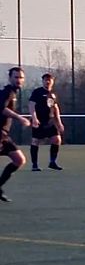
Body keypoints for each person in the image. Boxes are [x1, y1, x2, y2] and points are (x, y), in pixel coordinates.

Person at [0, 68, 31, 203]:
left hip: (4, 135)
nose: (19, 80)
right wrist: (20, 118)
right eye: (16, 77)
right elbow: (2, 109)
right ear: (10, 78)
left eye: (21, 77)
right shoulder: (7, 92)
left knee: (19, 160)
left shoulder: (13, 93)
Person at [28, 73, 65, 171]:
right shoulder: (37, 92)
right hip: (39, 121)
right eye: (46, 80)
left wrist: (59, 123)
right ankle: (34, 165)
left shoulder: (53, 94)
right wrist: (34, 118)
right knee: (35, 141)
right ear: (43, 81)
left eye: (49, 80)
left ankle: (52, 162)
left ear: (53, 81)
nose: (48, 82)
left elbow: (55, 108)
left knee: (57, 139)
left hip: (50, 121)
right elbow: (31, 105)